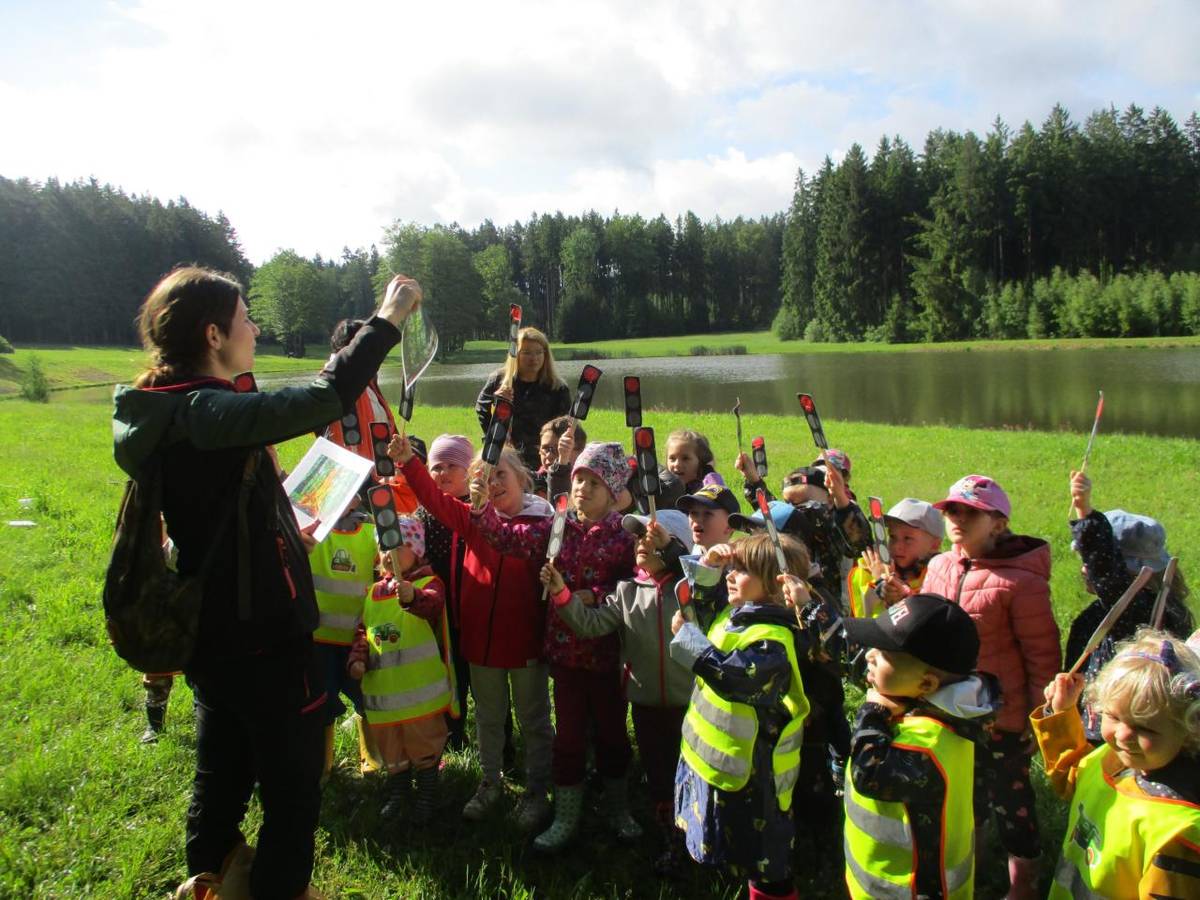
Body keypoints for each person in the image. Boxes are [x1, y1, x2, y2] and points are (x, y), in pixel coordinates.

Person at [114, 266, 420, 900]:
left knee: (219, 770)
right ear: (213, 335)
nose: (253, 326)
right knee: (292, 790)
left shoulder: (165, 409)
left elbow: (220, 508)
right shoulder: (206, 409)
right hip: (266, 637)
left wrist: (283, 533)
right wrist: (387, 318)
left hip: (213, 630)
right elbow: (324, 396)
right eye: (245, 317)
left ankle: (208, 881)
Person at [475, 442, 637, 852]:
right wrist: (481, 511)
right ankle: (565, 816)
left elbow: (634, 583)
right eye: (579, 478)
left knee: (612, 735)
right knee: (567, 739)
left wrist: (595, 594)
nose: (582, 487)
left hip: (606, 658)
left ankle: (619, 809)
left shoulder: (624, 536)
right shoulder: (557, 527)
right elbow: (511, 540)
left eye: (594, 482)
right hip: (564, 657)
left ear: (614, 491)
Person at [390, 435, 555, 831]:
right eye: (483, 476)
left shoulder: (543, 524)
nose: (493, 483)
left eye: (501, 474)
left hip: (527, 642)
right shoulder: (471, 519)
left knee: (534, 717)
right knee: (489, 716)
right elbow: (431, 497)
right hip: (481, 641)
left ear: (521, 479)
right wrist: (410, 462)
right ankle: (490, 782)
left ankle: (536, 790)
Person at [921, 474, 1060, 900]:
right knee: (964, 792)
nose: (958, 520)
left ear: (998, 523)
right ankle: (972, 870)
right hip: (948, 709)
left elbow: (1042, 657)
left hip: (1004, 716)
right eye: (952, 511)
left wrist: (1040, 719)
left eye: (971, 512)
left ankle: (1024, 885)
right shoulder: (940, 566)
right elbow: (925, 629)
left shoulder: (1022, 582)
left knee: (1012, 800)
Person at [669, 533, 812, 900]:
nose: (732, 575)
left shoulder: (772, 639)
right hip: (728, 766)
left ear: (777, 586)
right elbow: (703, 615)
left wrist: (689, 643)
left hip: (756, 774)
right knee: (738, 844)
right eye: (732, 567)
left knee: (765, 858)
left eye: (742, 570)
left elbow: (736, 678)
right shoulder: (739, 615)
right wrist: (709, 571)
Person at [553, 509, 695, 875]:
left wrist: (678, 552)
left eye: (652, 537)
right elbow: (592, 623)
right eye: (638, 538)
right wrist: (562, 595)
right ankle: (671, 841)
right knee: (661, 777)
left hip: (692, 707)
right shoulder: (627, 591)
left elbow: (705, 572)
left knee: (693, 776)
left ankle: (702, 840)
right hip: (646, 706)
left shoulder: (693, 590)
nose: (640, 543)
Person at [841, 593, 999, 900]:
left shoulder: (929, 744)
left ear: (927, 685)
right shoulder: (949, 710)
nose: (870, 655)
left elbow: (869, 772)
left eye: (885, 654)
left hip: (907, 890)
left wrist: (873, 713)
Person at [1034, 630, 1200, 899]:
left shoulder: (1180, 829)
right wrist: (1061, 714)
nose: (1122, 735)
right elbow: (1074, 779)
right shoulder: (1111, 760)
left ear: (1190, 730)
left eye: (1145, 728)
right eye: (1112, 716)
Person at [1067, 470, 1193, 741]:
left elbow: (1108, 576)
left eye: (1089, 560)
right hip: (1097, 724)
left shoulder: (1146, 611)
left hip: (1125, 730)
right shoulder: (1112, 607)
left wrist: (1085, 512)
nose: (1084, 568)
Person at [347, 517, 454, 824]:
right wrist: (358, 658)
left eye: (398, 545)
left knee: (423, 746)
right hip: (384, 697)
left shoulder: (428, 584)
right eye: (383, 546)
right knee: (392, 750)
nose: (387, 552)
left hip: (420, 696)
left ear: (417, 550)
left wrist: (412, 597)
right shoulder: (372, 592)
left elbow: (431, 607)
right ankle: (398, 794)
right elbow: (363, 631)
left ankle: (427, 793)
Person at [413, 434, 476, 753]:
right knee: (451, 682)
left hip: (476, 616)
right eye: (436, 466)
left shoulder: (478, 510)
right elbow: (410, 553)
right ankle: (453, 740)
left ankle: (502, 745)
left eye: (453, 465)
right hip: (441, 617)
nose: (443, 472)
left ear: (469, 470)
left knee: (483, 685)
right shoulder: (424, 514)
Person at [308, 496, 376, 781]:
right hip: (319, 640)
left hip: (358, 640)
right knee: (322, 700)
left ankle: (372, 757)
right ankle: (323, 763)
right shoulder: (311, 533)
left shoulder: (371, 533)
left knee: (366, 698)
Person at [321, 318, 419, 513]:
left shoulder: (366, 382)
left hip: (380, 477)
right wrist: (365, 488)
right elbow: (339, 443)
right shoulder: (336, 386)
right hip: (354, 489)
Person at [475, 327, 570, 473]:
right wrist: (497, 405)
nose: (534, 358)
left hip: (544, 459)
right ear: (516, 355)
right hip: (505, 457)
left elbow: (564, 426)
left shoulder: (557, 388)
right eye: (526, 353)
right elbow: (482, 410)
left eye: (539, 352)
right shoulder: (499, 381)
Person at [847, 498, 944, 618]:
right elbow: (863, 618)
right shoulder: (867, 571)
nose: (897, 546)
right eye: (892, 537)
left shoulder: (943, 576)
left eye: (907, 538)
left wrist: (899, 593)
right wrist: (879, 583)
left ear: (935, 545)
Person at [535, 415, 586, 499]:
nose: (549, 455)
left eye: (559, 449)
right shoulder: (532, 484)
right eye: (545, 448)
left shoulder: (584, 489)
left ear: (580, 453)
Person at [664, 428, 724, 493]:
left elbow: (718, 493)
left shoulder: (704, 486)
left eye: (685, 458)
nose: (677, 464)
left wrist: (708, 469)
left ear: (701, 462)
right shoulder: (664, 487)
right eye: (672, 458)